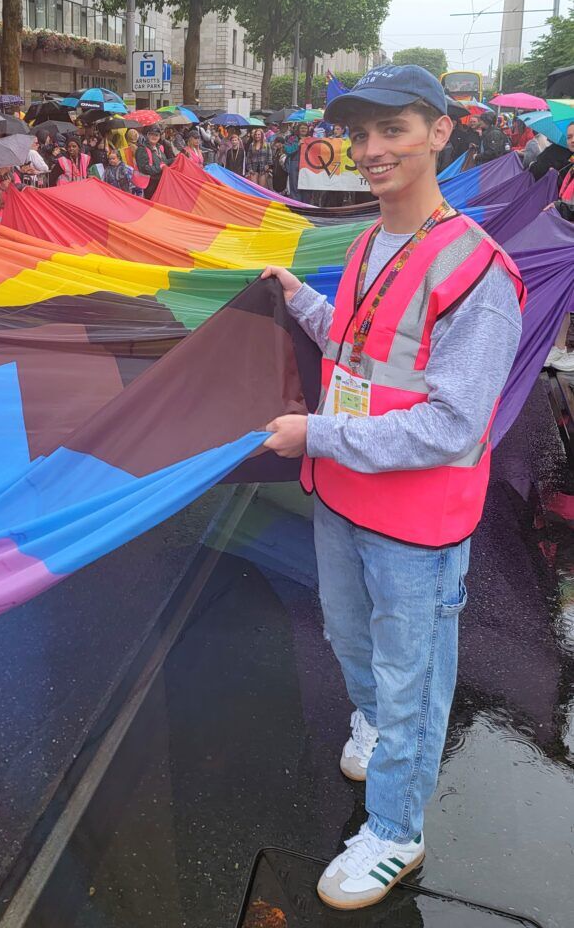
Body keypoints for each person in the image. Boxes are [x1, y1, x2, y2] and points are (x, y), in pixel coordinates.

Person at [261, 65, 524, 912]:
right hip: (343, 494)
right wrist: (300, 298)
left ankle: (397, 832)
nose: (371, 151)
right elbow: (357, 347)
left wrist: (319, 435)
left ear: (441, 133)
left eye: (394, 131)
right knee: (348, 638)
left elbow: (452, 425)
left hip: (414, 521)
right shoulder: (370, 242)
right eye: (362, 134)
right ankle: (376, 728)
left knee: (413, 679)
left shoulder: (479, 273)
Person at [134, 124, 167, 198]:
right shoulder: (142, 149)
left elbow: (164, 162)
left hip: (159, 182)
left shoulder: (160, 148)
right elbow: (144, 168)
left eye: (156, 135)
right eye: (151, 134)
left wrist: (177, 158)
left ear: (159, 137)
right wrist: (160, 168)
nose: (154, 137)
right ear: (147, 135)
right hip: (148, 185)